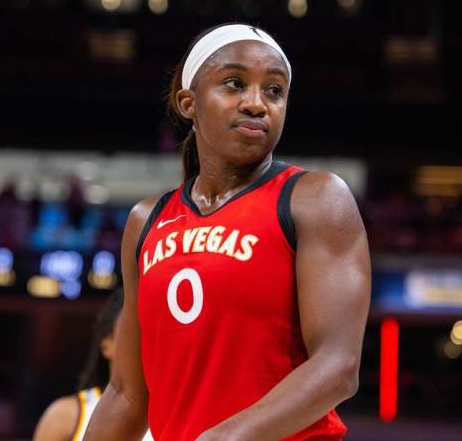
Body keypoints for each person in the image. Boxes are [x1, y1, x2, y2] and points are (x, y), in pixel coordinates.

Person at [84, 23, 371, 441]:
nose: (257, 104)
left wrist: (225, 437)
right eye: (234, 84)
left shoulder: (315, 198)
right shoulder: (146, 221)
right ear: (188, 103)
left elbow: (339, 366)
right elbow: (128, 394)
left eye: (274, 91)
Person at [32, 289, 153, 441]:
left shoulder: (181, 417)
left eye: (152, 330)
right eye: (133, 331)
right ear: (106, 345)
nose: (142, 340)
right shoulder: (65, 417)